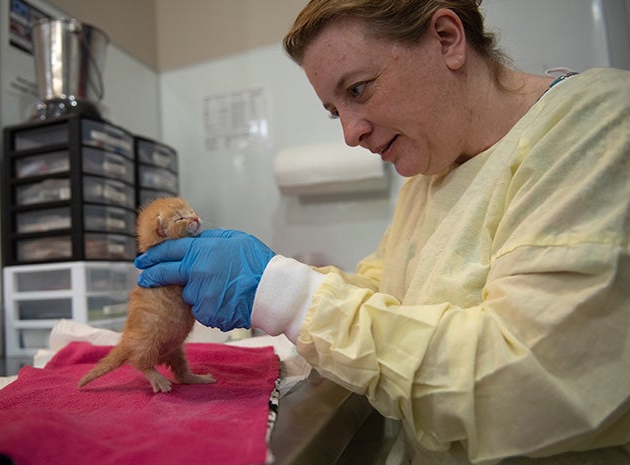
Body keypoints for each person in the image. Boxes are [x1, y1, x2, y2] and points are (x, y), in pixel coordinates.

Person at [135, 0, 630, 463]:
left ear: (446, 38)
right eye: (336, 111)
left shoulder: (598, 126)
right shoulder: (432, 169)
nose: (350, 133)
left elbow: (530, 382)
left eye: (357, 89)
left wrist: (285, 295)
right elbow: (383, 288)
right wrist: (274, 281)